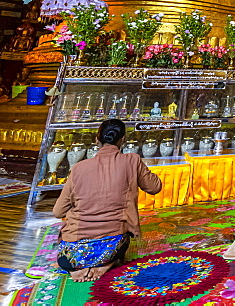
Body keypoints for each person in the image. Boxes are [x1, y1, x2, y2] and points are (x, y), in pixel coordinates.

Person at [52, 119, 163, 281]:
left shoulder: (78, 168)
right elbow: (155, 187)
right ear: (123, 140)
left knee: (66, 253)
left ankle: (77, 268)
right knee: (121, 239)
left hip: (71, 256)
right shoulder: (132, 161)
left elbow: (58, 211)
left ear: (97, 140)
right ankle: (106, 264)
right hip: (112, 248)